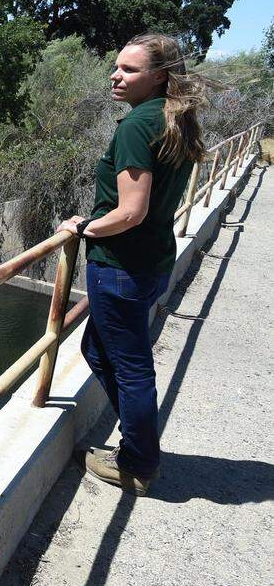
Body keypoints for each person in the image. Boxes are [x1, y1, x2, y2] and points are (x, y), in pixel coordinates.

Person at [57, 32, 207, 495]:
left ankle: (139, 462)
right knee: (100, 351)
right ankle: (138, 445)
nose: (115, 75)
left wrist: (84, 228)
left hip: (121, 265)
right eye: (116, 66)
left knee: (131, 366)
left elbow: (130, 211)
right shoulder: (172, 119)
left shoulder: (137, 126)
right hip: (151, 260)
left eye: (129, 69)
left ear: (159, 77)